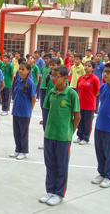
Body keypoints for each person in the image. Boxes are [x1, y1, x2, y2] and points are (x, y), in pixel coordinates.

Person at [40, 65, 80, 206]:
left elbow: (77, 116)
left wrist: (70, 132)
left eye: (56, 76)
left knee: (61, 166)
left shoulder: (71, 94)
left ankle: (59, 193)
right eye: (52, 75)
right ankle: (50, 190)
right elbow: (48, 111)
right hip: (50, 134)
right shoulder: (51, 92)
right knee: (50, 164)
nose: (53, 78)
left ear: (65, 77)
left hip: (63, 137)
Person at [10, 62, 36, 160]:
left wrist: (30, 109)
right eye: (19, 69)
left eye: (23, 69)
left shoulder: (30, 82)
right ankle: (17, 149)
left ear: (28, 71)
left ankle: (23, 151)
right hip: (16, 110)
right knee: (16, 131)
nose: (20, 71)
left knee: (23, 132)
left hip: (24, 112)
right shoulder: (18, 80)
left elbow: (33, 98)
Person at [74, 60, 100, 145]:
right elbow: (78, 89)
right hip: (80, 103)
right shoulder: (81, 78)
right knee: (80, 120)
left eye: (89, 66)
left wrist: (90, 97)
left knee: (87, 122)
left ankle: (86, 137)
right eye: (85, 65)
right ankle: (79, 136)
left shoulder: (95, 79)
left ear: (93, 68)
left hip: (89, 104)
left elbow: (97, 91)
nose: (86, 67)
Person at [39, 53, 52, 126]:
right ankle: (44, 118)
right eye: (45, 59)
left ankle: (47, 118)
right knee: (42, 104)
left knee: (47, 104)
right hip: (42, 87)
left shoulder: (51, 68)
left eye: (47, 59)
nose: (45, 60)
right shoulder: (43, 68)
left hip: (48, 88)